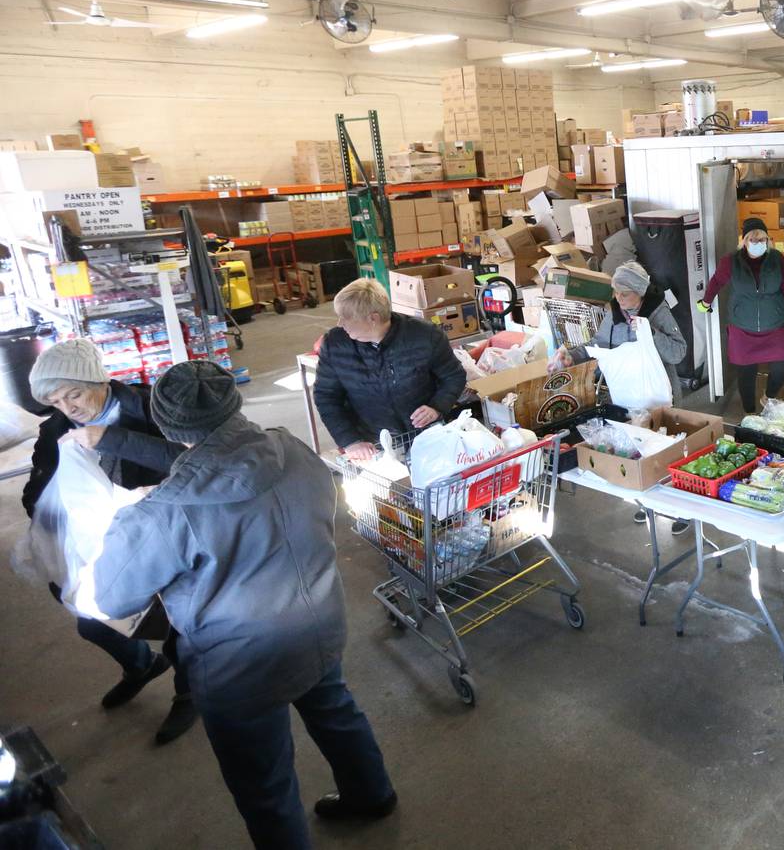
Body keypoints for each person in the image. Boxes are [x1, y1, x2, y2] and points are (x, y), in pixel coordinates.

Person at [84, 361, 396, 850]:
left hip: (240, 664)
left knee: (263, 779)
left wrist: (125, 521)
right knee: (335, 710)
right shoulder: (293, 448)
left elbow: (112, 596)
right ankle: (372, 795)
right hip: (319, 618)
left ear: (165, 426)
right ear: (234, 404)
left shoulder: (163, 512)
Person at [21, 339, 195, 744]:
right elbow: (37, 488)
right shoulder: (56, 429)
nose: (70, 408)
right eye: (57, 401)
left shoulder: (153, 407)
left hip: (163, 529)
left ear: (98, 380)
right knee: (91, 620)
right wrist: (55, 512)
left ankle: (190, 693)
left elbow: (192, 461)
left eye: (75, 394)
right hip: (97, 540)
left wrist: (119, 456)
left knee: (178, 626)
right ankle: (140, 665)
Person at [314, 278, 467, 459]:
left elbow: (454, 376)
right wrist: (350, 441)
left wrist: (437, 407)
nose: (340, 324)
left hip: (427, 437)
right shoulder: (334, 345)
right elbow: (326, 397)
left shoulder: (425, 336)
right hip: (373, 446)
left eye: (346, 318)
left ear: (373, 318)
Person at [698, 217, 784, 414]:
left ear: (768, 240)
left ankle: (769, 397)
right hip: (742, 327)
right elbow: (716, 281)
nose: (758, 244)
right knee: (746, 374)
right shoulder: (731, 261)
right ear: (744, 241)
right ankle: (749, 413)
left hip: (775, 324)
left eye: (762, 239)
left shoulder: (777, 259)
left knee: (781, 368)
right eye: (753, 240)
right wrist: (706, 302)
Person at [549, 261, 688, 403]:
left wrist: (652, 333)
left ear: (640, 292)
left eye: (625, 294)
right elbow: (597, 345)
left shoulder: (658, 312)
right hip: (626, 394)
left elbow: (678, 353)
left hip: (658, 395)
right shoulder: (614, 313)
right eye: (616, 291)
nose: (618, 298)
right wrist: (571, 356)